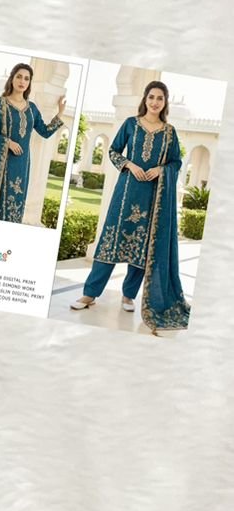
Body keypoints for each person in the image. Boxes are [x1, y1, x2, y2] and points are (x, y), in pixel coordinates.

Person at [71, 81, 190, 332]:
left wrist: (161, 169)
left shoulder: (169, 132)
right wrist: (129, 164)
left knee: (141, 246)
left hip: (152, 196)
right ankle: (90, 293)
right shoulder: (130, 124)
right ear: (145, 99)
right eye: (151, 97)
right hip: (126, 191)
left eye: (160, 98)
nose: (155, 102)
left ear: (165, 102)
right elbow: (114, 151)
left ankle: (128, 295)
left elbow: (176, 162)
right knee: (110, 241)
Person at [0, 62, 66, 223]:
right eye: (19, 77)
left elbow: (45, 132)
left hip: (20, 165)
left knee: (13, 205)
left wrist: (60, 113)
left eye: (27, 78)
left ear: (29, 83)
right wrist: (6, 142)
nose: (22, 81)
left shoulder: (32, 109)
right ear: (12, 79)